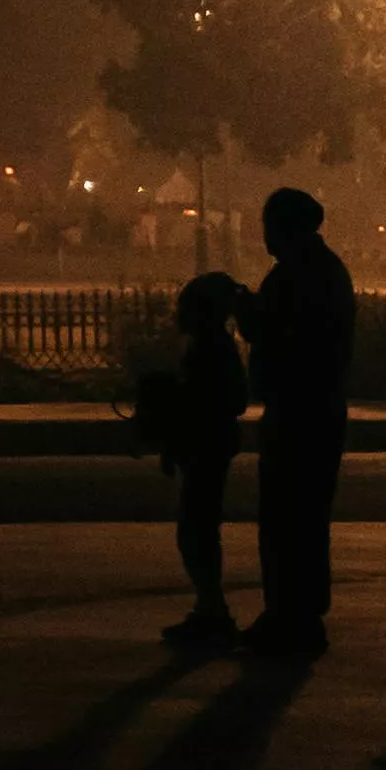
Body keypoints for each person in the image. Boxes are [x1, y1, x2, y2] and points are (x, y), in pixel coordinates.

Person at [247, 184, 353, 655]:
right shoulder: (327, 271)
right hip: (321, 406)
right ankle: (303, 611)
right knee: (308, 517)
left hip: (297, 409)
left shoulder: (293, 276)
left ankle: (289, 614)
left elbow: (275, 332)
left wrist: (243, 312)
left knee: (285, 516)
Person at [147, 267, 254, 650]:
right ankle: (210, 607)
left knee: (196, 531)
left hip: (205, 445)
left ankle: (213, 610)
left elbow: (218, 400)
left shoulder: (211, 349)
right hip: (210, 442)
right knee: (199, 530)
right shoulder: (214, 346)